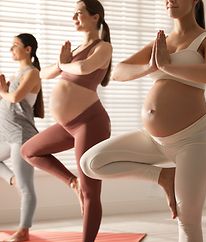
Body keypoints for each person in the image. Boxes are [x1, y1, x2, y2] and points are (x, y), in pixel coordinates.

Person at [80, 0, 206, 241]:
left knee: (187, 221)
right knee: (90, 163)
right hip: (153, 140)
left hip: (193, 141)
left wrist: (167, 66)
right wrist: (151, 67)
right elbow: (118, 71)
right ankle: (163, 176)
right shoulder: (161, 42)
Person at [20, 0, 112, 241]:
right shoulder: (73, 52)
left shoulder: (103, 47)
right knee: (29, 151)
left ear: (96, 17)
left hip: (90, 122)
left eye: (79, 13)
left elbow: (84, 68)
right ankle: (72, 182)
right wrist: (63, 61)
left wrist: (64, 63)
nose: (74, 18)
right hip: (67, 125)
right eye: (73, 14)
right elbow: (45, 73)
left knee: (91, 191)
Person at [0, 33, 44, 242]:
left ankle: (23, 231)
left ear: (28, 49)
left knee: (26, 188)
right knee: (21, 182)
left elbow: (15, 98)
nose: (11, 49)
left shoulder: (32, 73)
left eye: (15, 45)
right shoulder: (17, 74)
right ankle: (13, 178)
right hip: (7, 134)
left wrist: (2, 91)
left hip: (21, 135)